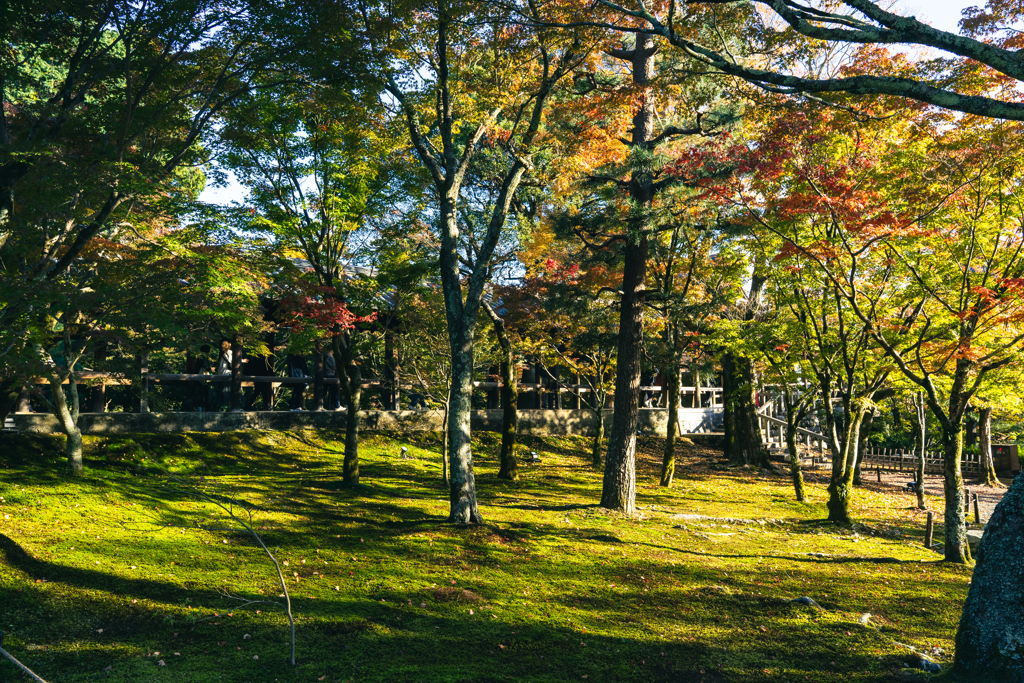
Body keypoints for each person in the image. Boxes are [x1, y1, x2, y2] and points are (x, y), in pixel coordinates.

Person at [215, 340, 232, 409]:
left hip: (223, 373)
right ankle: (226, 405)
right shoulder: (226, 353)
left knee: (223, 390)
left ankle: (223, 405)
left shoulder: (224, 354)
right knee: (226, 390)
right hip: (227, 373)